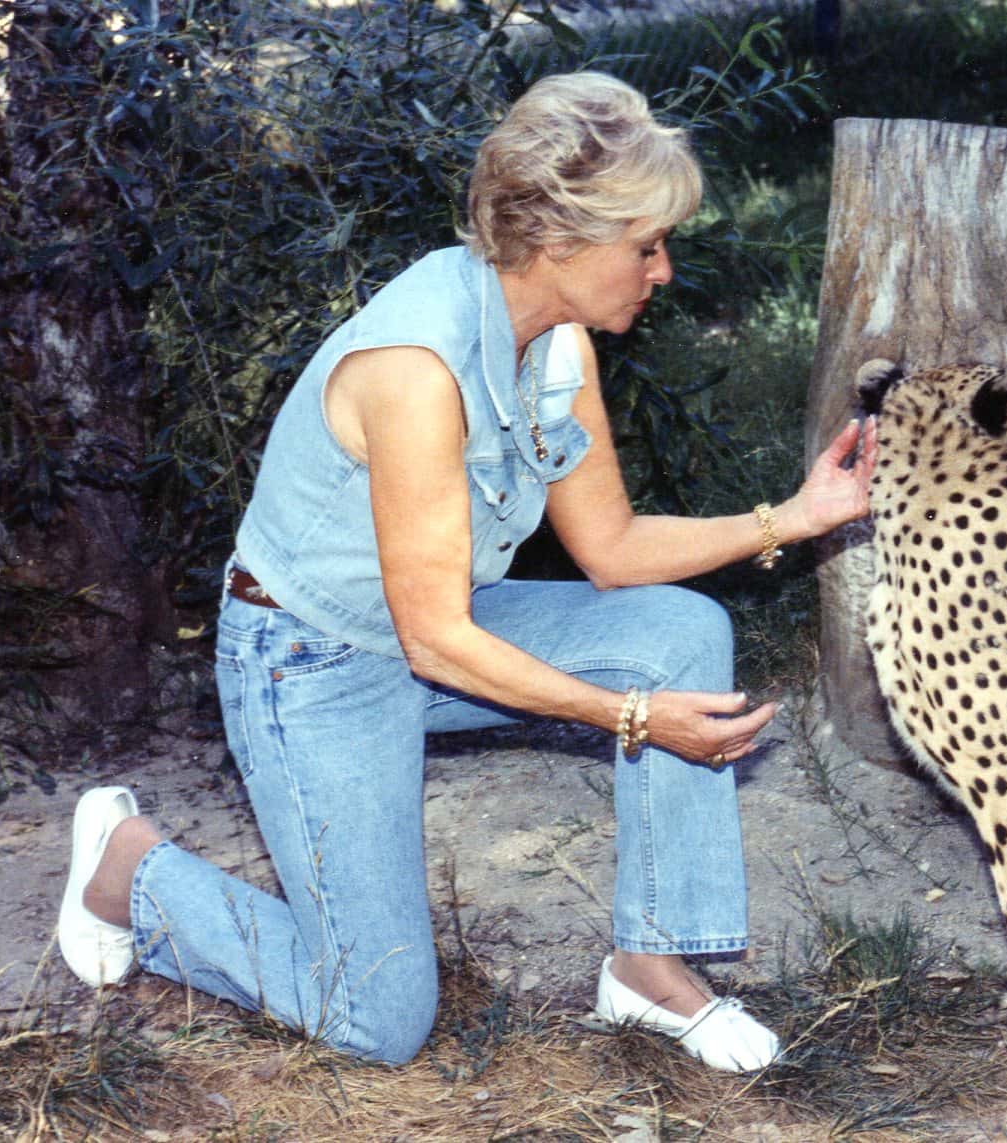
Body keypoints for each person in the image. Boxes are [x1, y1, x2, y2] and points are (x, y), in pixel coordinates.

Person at [54, 71, 877, 1072]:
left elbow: (611, 548)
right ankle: (128, 870)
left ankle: (649, 971)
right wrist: (627, 717)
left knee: (676, 633)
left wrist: (792, 516)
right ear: (563, 245)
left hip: (433, 629)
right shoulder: (417, 369)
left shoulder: (553, 336)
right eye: (647, 246)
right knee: (375, 1019)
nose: (661, 271)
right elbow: (435, 638)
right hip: (309, 663)